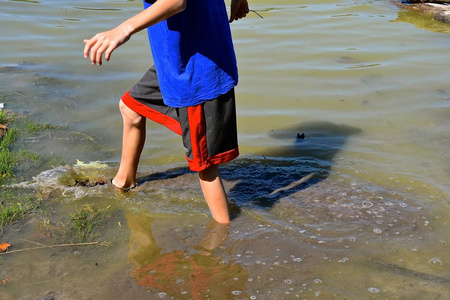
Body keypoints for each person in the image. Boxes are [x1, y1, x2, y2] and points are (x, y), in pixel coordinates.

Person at [83, 0, 249, 224]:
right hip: (176, 61)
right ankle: (122, 183)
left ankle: (223, 242)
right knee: (131, 107)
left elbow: (176, 1)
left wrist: (123, 30)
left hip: (195, 74)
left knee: (206, 168)